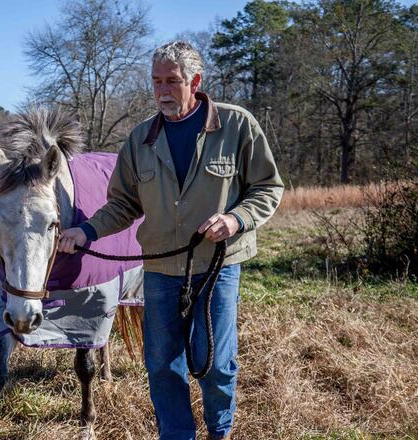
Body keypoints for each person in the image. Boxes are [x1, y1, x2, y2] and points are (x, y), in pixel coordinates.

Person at [57, 40, 284, 440]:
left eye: (173, 81)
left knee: (213, 360)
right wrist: (85, 230)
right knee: (161, 363)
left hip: (217, 265)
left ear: (195, 81)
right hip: (160, 269)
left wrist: (236, 219)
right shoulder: (140, 138)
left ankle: (220, 431)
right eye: (156, 80)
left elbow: (268, 187)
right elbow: (122, 205)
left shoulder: (236, 125)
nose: (163, 89)